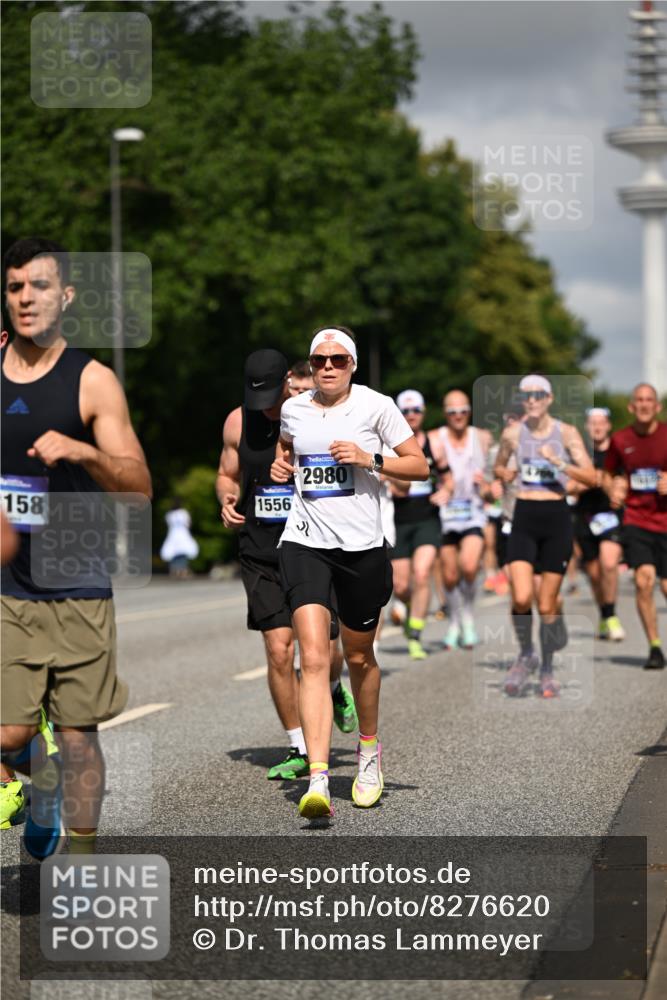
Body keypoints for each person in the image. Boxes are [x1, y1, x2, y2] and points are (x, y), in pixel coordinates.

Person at [1, 237, 152, 856]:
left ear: (65, 295)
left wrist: (84, 451)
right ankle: (35, 781)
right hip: (8, 583)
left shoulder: (92, 381)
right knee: (8, 730)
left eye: (39, 286)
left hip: (77, 582)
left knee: (78, 733)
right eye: (14, 288)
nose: (26, 299)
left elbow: (138, 486)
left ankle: (81, 866)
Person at [271, 326, 428, 819]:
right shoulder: (293, 409)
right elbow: (285, 449)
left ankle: (368, 753)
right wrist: (281, 468)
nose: (329, 367)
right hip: (305, 541)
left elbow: (420, 466)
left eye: (339, 359)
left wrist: (370, 459)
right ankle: (318, 777)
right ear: (311, 365)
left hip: (362, 547)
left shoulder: (376, 406)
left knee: (359, 658)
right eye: (320, 360)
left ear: (353, 364)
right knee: (314, 657)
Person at [216, 349, 356, 783]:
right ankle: (299, 746)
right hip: (259, 549)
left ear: (288, 383)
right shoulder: (237, 421)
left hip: (313, 545)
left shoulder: (313, 415)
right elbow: (226, 472)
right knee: (280, 650)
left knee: (323, 652)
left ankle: (333, 688)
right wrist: (225, 497)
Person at [494, 374, 595, 697]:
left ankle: (548, 670)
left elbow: (591, 476)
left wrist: (560, 465)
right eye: (527, 395)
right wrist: (504, 473)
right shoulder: (512, 433)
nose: (532, 399)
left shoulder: (565, 432)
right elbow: (499, 466)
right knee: (521, 597)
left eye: (538, 394)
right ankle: (526, 654)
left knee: (547, 603)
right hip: (524, 516)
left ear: (549, 398)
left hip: (556, 520)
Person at [604, 384, 667, 669]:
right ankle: (655, 647)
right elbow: (607, 474)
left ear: (657, 407)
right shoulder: (620, 440)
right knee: (644, 580)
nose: (643, 405)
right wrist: (614, 489)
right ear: (631, 407)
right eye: (639, 400)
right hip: (637, 521)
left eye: (649, 400)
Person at [429, 390, 498, 650]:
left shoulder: (482, 438)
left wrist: (488, 486)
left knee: (469, 566)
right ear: (445, 414)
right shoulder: (436, 438)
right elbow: (425, 468)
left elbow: (493, 481)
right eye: (452, 412)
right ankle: (454, 621)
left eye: (463, 411)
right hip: (445, 514)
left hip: (473, 511)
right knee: (449, 574)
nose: (458, 416)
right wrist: (436, 488)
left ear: (469, 411)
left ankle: (467, 618)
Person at [385, 390, 443, 660]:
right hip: (398, 518)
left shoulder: (434, 442)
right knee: (402, 585)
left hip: (427, 518)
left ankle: (416, 634)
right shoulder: (389, 443)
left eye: (416, 410)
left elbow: (448, 475)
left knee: (422, 574)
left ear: (423, 412)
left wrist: (448, 491)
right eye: (406, 411)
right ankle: (408, 618)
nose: (411, 416)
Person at [571, 407, 625, 640]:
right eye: (592, 423)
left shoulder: (619, 451)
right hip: (585, 517)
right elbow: (570, 487)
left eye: (601, 422)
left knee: (609, 563)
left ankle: (612, 616)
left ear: (608, 425)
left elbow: (623, 483)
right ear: (586, 427)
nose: (597, 427)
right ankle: (604, 614)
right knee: (593, 573)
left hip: (611, 515)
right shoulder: (579, 453)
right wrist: (587, 482)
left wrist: (612, 485)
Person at [160, 498, 199, 578]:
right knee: (183, 553)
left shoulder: (169, 514)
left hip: (173, 535)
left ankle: (174, 571)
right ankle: (183, 571)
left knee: (173, 553)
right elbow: (188, 524)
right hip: (183, 534)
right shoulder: (184, 513)